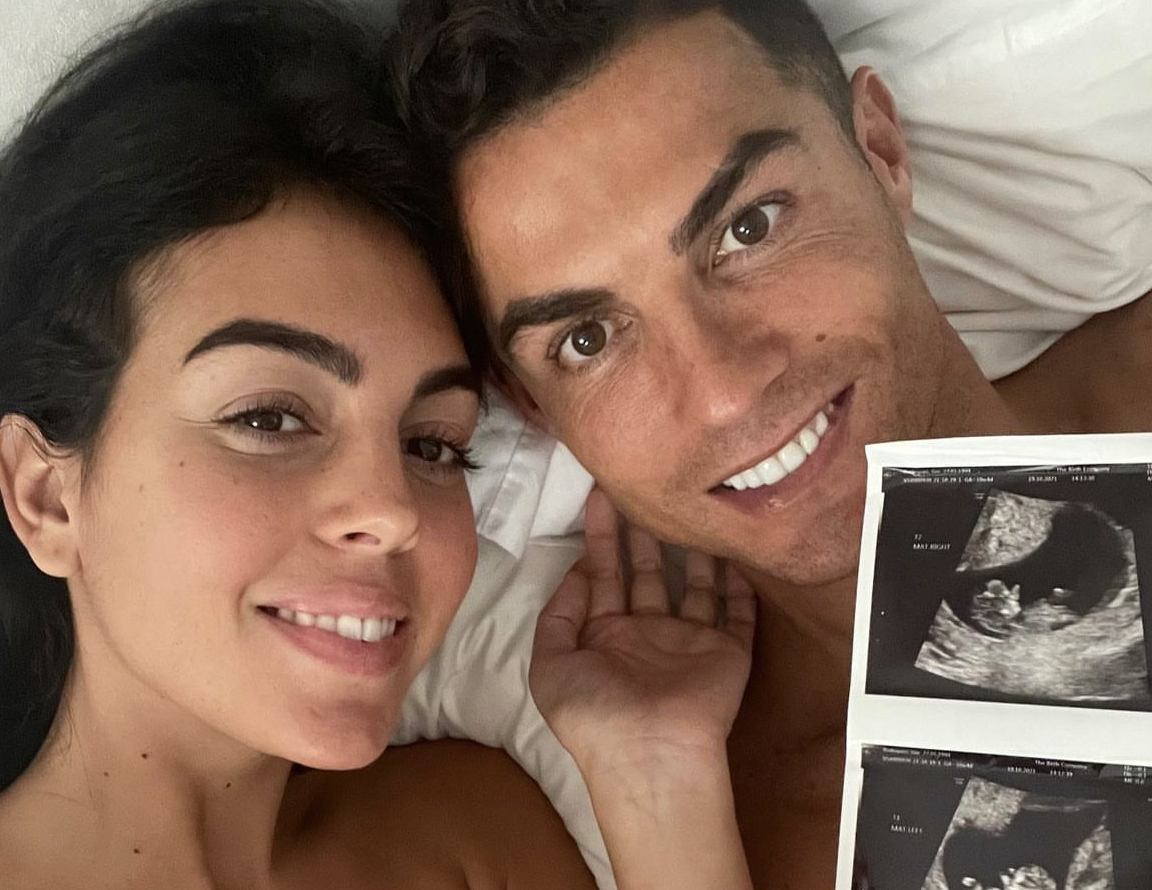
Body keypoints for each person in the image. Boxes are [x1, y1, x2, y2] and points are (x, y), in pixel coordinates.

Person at [390, 0, 1152, 886]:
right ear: (533, 405)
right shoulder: (752, 835)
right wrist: (659, 791)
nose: (722, 394)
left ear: (881, 153)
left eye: (748, 228)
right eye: (588, 340)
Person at [0, 1, 759, 887]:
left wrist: (659, 786)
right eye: (269, 419)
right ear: (45, 497)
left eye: (433, 445)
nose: (394, 512)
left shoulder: (470, 838)